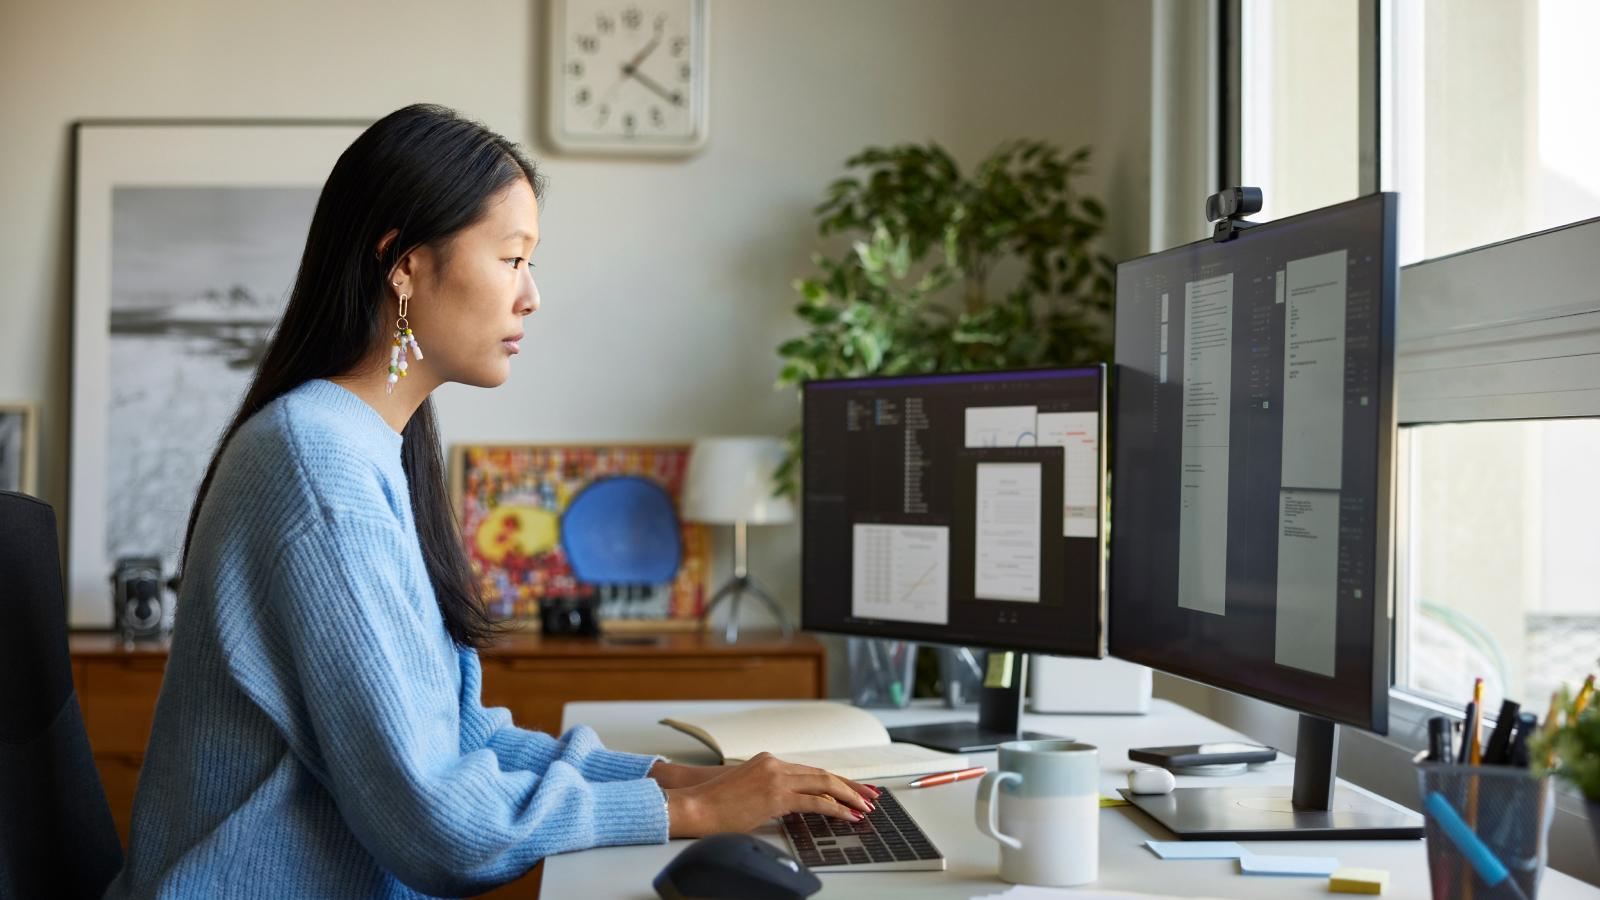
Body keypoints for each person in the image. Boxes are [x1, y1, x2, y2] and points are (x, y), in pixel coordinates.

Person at [104, 103, 877, 899]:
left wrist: (670, 775)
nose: (531, 295)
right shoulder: (319, 467)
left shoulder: (364, 446)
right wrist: (682, 811)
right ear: (402, 264)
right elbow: (443, 828)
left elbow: (458, 738)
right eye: (512, 258)